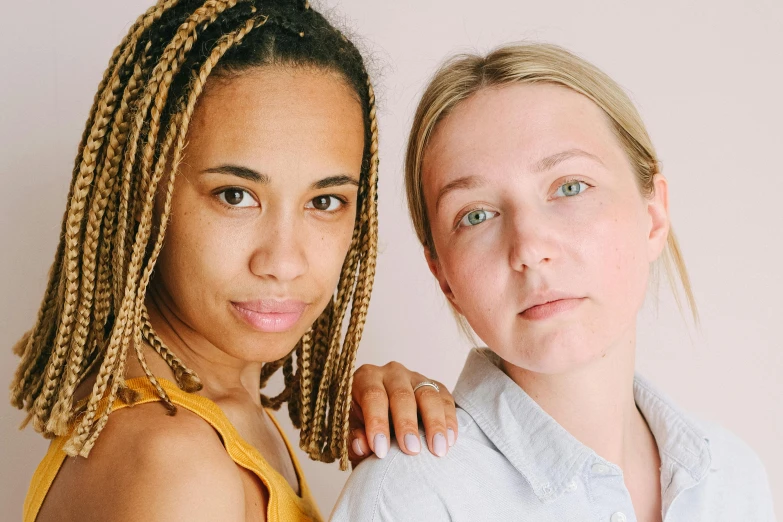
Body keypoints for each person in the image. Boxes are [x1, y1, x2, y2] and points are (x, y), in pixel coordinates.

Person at [11, 1, 459, 521]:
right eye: (234, 196)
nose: (284, 262)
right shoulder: (176, 464)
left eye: (325, 201)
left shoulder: (222, 418)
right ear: (144, 194)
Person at [333, 42, 776, 521]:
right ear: (443, 276)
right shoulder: (409, 500)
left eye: (570, 187)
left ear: (653, 216)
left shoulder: (731, 479)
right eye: (477, 215)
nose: (528, 247)